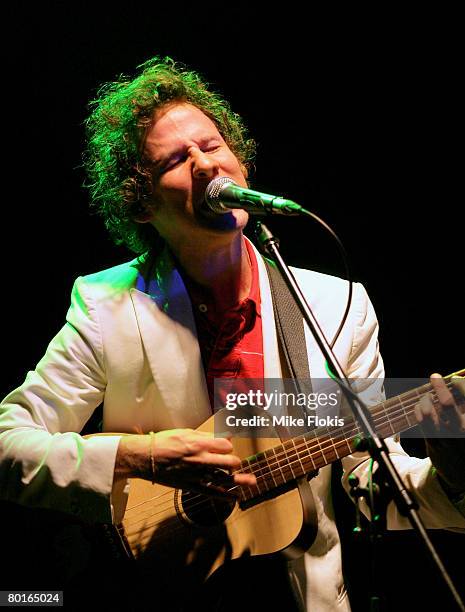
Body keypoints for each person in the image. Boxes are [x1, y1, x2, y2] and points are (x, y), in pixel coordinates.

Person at [0, 56, 463, 611]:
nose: (203, 165)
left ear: (239, 164)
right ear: (141, 202)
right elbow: (8, 447)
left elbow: (367, 480)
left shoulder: (337, 305)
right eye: (175, 158)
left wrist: (453, 477)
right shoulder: (106, 306)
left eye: (212, 145)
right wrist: (138, 457)